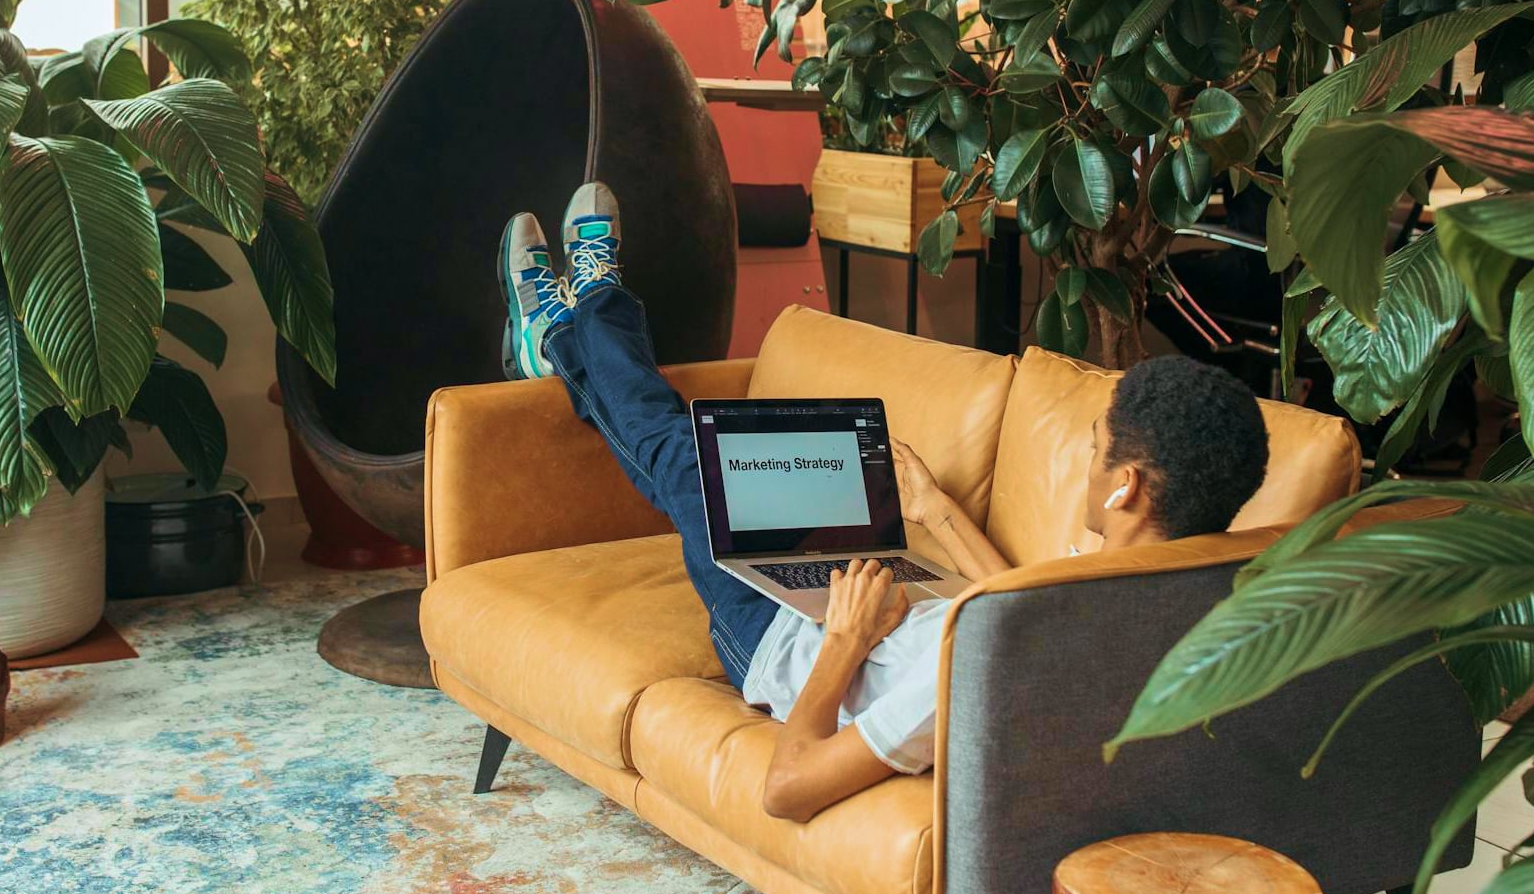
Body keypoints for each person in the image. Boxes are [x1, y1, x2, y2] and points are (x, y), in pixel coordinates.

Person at [499, 182, 1272, 823]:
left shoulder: (983, 672)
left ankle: (579, 319)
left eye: (1098, 447)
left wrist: (845, 637)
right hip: (883, 588)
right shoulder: (1135, 594)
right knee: (706, 458)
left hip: (782, 635)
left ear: (1128, 485)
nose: (1084, 459)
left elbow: (787, 790)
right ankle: (566, 328)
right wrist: (933, 510)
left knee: (680, 458)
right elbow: (1009, 601)